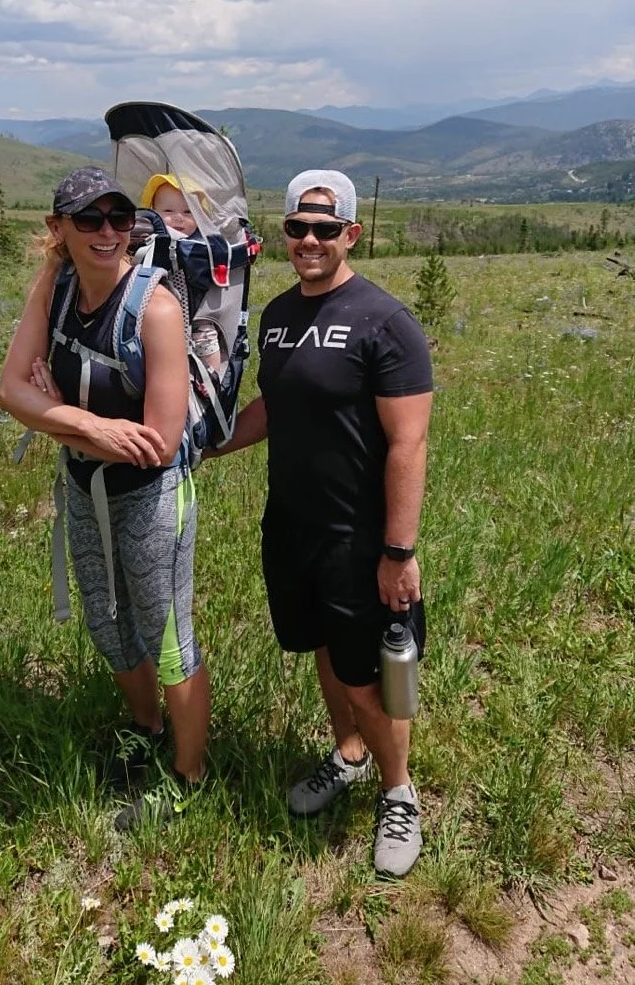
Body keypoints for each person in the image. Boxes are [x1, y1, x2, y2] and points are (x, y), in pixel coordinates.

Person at [211, 169, 433, 878]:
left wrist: (398, 550)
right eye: (298, 228)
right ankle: (347, 755)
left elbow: (409, 443)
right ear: (285, 234)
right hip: (292, 527)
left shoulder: (385, 322)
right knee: (322, 654)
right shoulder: (275, 317)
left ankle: (399, 794)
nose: (310, 240)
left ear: (351, 235)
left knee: (366, 676)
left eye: (326, 229)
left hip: (359, 537)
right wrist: (205, 442)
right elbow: (273, 409)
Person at [0, 167, 210, 825]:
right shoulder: (54, 287)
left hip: (152, 497)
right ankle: (145, 729)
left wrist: (54, 413)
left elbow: (158, 441)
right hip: (81, 486)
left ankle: (189, 773)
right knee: (107, 622)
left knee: (169, 637)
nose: (107, 232)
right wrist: (86, 424)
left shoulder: (157, 308)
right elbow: (11, 391)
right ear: (57, 228)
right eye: (88, 219)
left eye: (120, 218)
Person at [141, 173, 223, 377]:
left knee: (207, 336)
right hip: (152, 311)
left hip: (197, 313)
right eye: (168, 211)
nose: (179, 217)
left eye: (189, 211)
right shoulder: (148, 239)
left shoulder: (203, 244)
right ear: (152, 212)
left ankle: (212, 379)